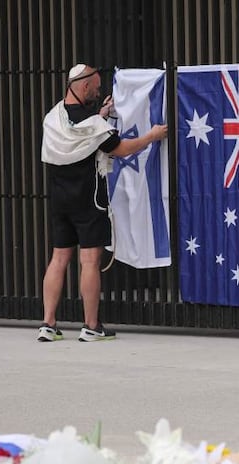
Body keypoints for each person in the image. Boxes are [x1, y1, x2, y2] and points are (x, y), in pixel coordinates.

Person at [38, 64, 168, 342]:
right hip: (89, 200)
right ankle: (91, 325)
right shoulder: (95, 125)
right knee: (89, 261)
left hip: (59, 200)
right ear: (84, 86)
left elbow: (79, 129)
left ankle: (48, 323)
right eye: (96, 88)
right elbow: (120, 149)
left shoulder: (53, 118)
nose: (99, 93)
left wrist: (100, 116)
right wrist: (151, 136)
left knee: (59, 258)